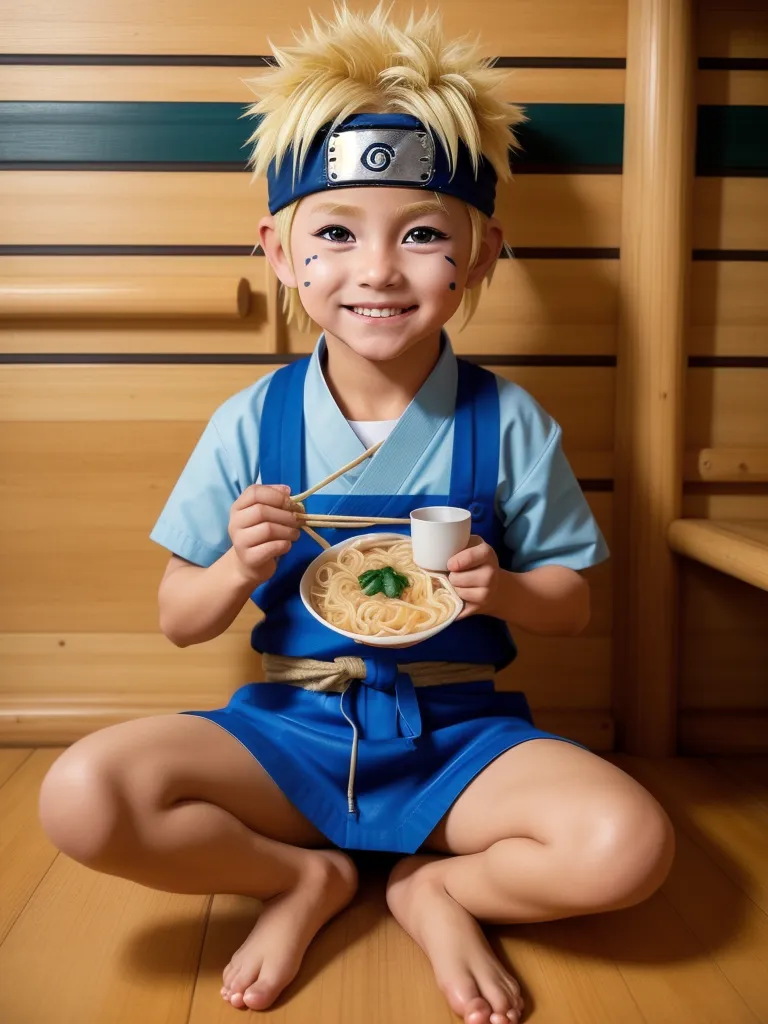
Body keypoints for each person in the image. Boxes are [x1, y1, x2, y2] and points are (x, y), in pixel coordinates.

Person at [38, 5, 675, 1024]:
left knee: (630, 845)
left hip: (459, 738)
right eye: (334, 233)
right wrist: (239, 567)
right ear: (282, 254)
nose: (377, 270)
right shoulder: (255, 420)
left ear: (480, 255)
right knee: (81, 796)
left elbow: (568, 608)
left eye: (422, 234)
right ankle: (301, 878)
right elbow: (181, 617)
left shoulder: (506, 421)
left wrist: (498, 585)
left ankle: (439, 888)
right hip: (292, 731)